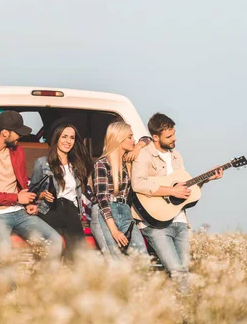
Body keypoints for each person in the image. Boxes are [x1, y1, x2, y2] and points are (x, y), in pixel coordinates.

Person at [131, 113, 222, 290]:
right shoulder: (144, 155)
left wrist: (206, 179)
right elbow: (138, 183)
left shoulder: (176, 156)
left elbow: (185, 187)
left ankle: (179, 310)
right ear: (155, 137)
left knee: (183, 271)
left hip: (180, 221)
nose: (174, 139)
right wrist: (172, 190)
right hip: (155, 224)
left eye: (174, 134)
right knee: (177, 271)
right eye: (169, 136)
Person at [0, 110, 63, 267]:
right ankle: (11, 291)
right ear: (5, 133)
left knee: (54, 240)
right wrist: (17, 198)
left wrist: (28, 203)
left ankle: (45, 287)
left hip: (19, 211)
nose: (21, 136)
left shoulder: (17, 151)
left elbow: (22, 184)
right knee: (4, 252)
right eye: (18, 132)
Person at [30, 121, 94, 262]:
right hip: (49, 210)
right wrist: (42, 195)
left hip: (71, 210)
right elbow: (31, 194)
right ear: (56, 138)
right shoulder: (42, 163)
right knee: (50, 256)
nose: (68, 141)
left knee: (79, 256)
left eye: (72, 138)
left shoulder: (77, 164)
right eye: (64, 136)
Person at [90, 122, 151, 260]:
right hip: (104, 212)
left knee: (143, 260)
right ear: (118, 138)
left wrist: (138, 147)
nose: (133, 140)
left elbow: (148, 139)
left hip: (124, 210)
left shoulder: (126, 163)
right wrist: (114, 230)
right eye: (129, 137)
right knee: (115, 261)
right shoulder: (102, 163)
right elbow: (102, 199)